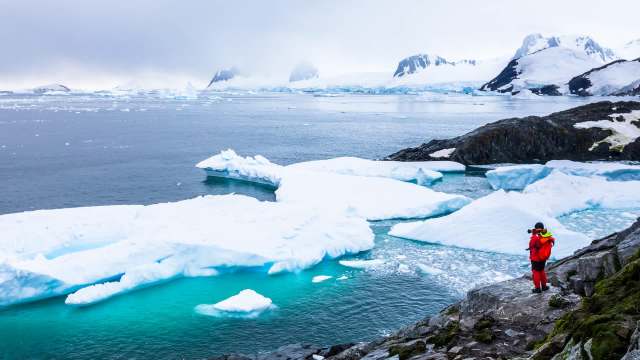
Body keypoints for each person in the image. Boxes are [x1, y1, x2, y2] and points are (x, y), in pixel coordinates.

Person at [528, 222, 555, 293]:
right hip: (543, 257)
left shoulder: (536, 237)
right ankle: (544, 286)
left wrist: (533, 235)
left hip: (536, 258)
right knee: (541, 271)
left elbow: (531, 245)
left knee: (536, 272)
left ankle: (537, 288)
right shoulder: (546, 235)